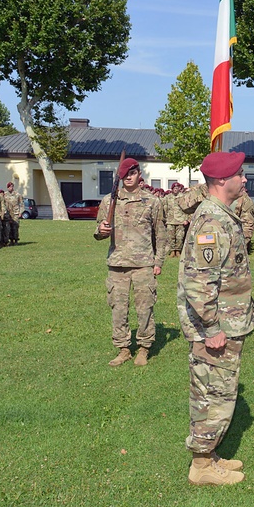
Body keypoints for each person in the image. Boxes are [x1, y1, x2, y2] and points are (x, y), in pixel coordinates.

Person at [178, 151, 254, 486]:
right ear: (222, 180)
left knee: (217, 391)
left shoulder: (221, 215)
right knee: (213, 394)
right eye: (239, 174)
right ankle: (201, 465)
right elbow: (199, 282)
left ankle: (209, 454)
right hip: (216, 327)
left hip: (228, 322)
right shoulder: (211, 222)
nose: (243, 179)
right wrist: (211, 327)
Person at [94, 157, 167, 367]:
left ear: (139, 174)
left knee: (145, 308)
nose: (128, 178)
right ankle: (123, 348)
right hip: (117, 264)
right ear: (120, 176)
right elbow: (99, 230)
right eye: (124, 175)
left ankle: (144, 348)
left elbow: (160, 235)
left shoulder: (152, 201)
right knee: (118, 308)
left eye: (132, 173)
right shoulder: (110, 201)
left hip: (144, 263)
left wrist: (158, 261)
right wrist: (101, 231)